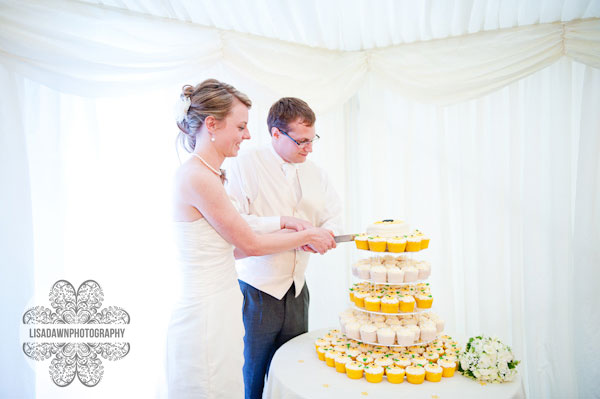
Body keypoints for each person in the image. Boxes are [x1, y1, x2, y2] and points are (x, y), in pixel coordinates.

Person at [166, 80, 336, 399]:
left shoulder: (209, 174)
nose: (247, 135)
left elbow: (232, 250)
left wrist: (286, 227)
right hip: (207, 311)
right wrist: (306, 234)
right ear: (212, 124)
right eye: (241, 126)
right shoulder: (198, 177)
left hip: (223, 302)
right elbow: (250, 246)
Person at [226, 97, 343, 399]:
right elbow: (236, 223)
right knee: (250, 375)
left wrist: (327, 234)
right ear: (276, 134)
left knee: (295, 372)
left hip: (297, 290)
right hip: (256, 291)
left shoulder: (316, 172)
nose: (310, 147)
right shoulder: (243, 164)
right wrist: (288, 229)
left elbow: (334, 218)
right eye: (301, 141)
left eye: (312, 139)